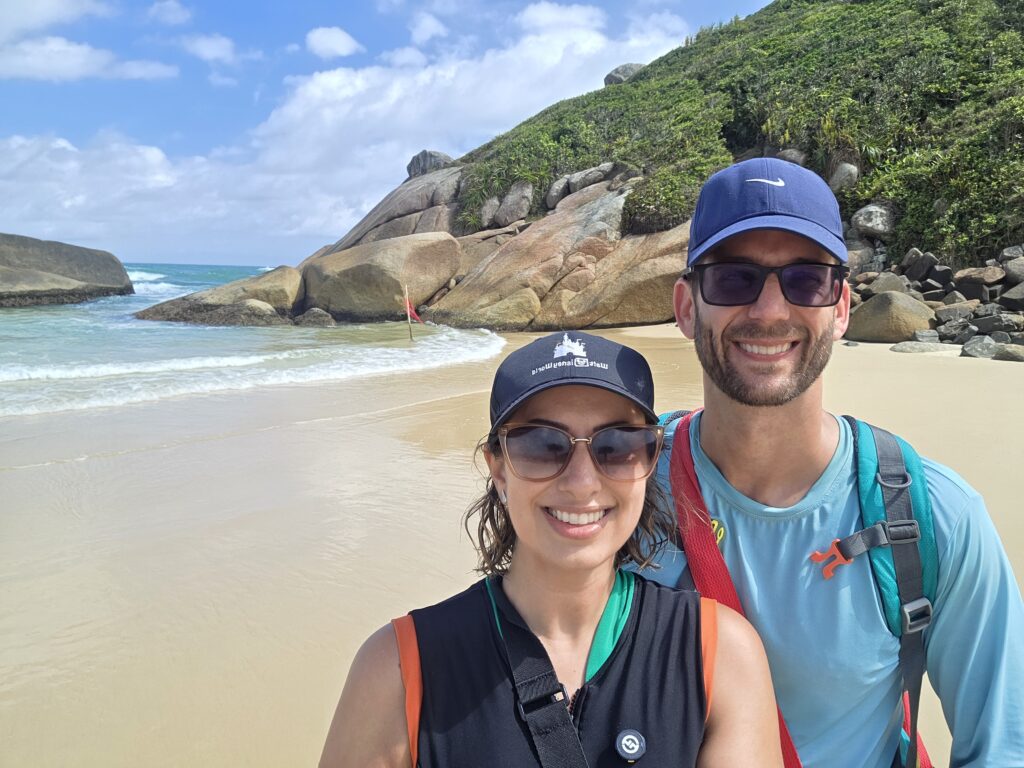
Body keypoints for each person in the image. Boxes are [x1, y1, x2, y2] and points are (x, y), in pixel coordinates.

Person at [642, 157, 1024, 767]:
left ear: (841, 307)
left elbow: (1003, 748)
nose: (769, 311)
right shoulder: (618, 483)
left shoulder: (936, 517)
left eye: (806, 280)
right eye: (734, 279)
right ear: (687, 307)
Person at [319, 331, 784, 768]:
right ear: (498, 470)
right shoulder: (400, 668)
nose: (582, 483)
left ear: (648, 460)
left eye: (617, 445)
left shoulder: (720, 653)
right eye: (542, 445)